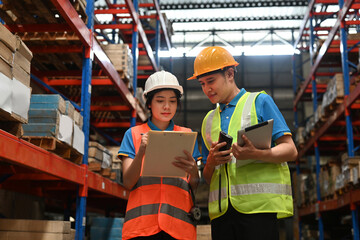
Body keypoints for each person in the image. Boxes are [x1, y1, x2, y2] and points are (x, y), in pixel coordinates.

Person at [187, 46, 298, 240]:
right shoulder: (209, 120)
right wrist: (212, 161)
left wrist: (256, 154)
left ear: (230, 74)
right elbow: (208, 176)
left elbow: (290, 150)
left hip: (259, 210)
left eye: (211, 81)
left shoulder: (260, 101)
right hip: (222, 214)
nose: (207, 89)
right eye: (202, 83)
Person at [118, 70, 201, 240]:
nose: (167, 107)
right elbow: (128, 182)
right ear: (149, 103)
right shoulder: (133, 135)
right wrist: (141, 152)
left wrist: (194, 172)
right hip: (142, 228)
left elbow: (194, 184)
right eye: (160, 101)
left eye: (172, 101)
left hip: (178, 228)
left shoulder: (187, 135)